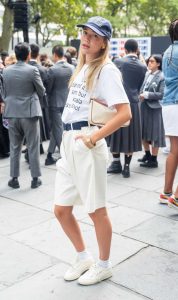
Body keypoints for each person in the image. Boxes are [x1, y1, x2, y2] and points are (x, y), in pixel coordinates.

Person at [54, 16, 131, 285]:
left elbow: (124, 114)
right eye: (85, 33)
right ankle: (83, 256)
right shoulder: (83, 67)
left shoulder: (106, 70)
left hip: (86, 140)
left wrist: (93, 137)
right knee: (61, 209)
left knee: (96, 209)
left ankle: (103, 264)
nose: (87, 38)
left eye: (95, 36)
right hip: (70, 141)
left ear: (104, 43)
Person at [3, 42, 45, 189]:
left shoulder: (6, 71)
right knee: (33, 145)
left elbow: (4, 92)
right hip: (29, 112)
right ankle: (35, 178)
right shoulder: (32, 70)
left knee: (14, 146)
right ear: (28, 55)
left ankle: (14, 179)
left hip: (12, 112)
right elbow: (41, 91)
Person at [107, 39, 147, 178]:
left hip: (119, 102)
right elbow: (140, 86)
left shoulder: (118, 62)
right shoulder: (143, 67)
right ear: (136, 49)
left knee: (115, 132)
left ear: (125, 49)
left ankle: (116, 163)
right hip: (134, 103)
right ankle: (127, 167)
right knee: (130, 135)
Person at [159, 19, 178, 208]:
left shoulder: (167, 52)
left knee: (174, 150)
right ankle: (177, 197)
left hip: (169, 104)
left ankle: (166, 192)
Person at [45, 45, 73, 165]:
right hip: (67, 101)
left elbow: (49, 88)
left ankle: (65, 155)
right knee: (58, 129)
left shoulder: (52, 70)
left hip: (55, 102)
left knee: (57, 129)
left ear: (55, 55)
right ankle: (50, 155)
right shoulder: (71, 67)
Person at [138, 54, 165, 168]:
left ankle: (154, 159)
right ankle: (147, 155)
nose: (149, 63)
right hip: (143, 106)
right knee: (143, 131)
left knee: (155, 133)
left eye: (152, 61)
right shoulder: (147, 74)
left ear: (158, 64)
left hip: (154, 109)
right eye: (149, 61)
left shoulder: (162, 77)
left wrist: (147, 95)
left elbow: (162, 94)